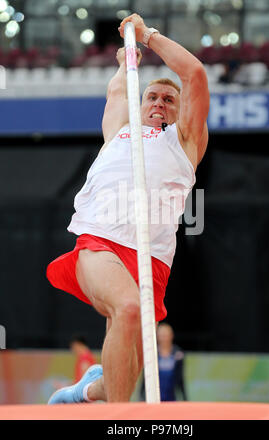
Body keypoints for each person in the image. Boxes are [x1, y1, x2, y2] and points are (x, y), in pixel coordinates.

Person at [47, 13, 209, 404]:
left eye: (168, 100)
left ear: (179, 111)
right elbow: (118, 95)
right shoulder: (121, 132)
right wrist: (125, 62)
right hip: (99, 243)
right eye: (151, 96)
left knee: (132, 354)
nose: (158, 103)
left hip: (151, 258)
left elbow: (196, 74)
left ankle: (87, 392)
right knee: (129, 308)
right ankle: (120, 423)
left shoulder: (185, 142)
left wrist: (150, 36)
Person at [140, 323, 187, 401]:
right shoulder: (150, 354)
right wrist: (141, 395)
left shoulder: (178, 354)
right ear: (157, 336)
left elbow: (180, 378)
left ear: (171, 335)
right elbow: (145, 377)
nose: (164, 338)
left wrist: (185, 397)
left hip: (171, 397)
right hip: (154, 397)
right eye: (162, 335)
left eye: (166, 335)